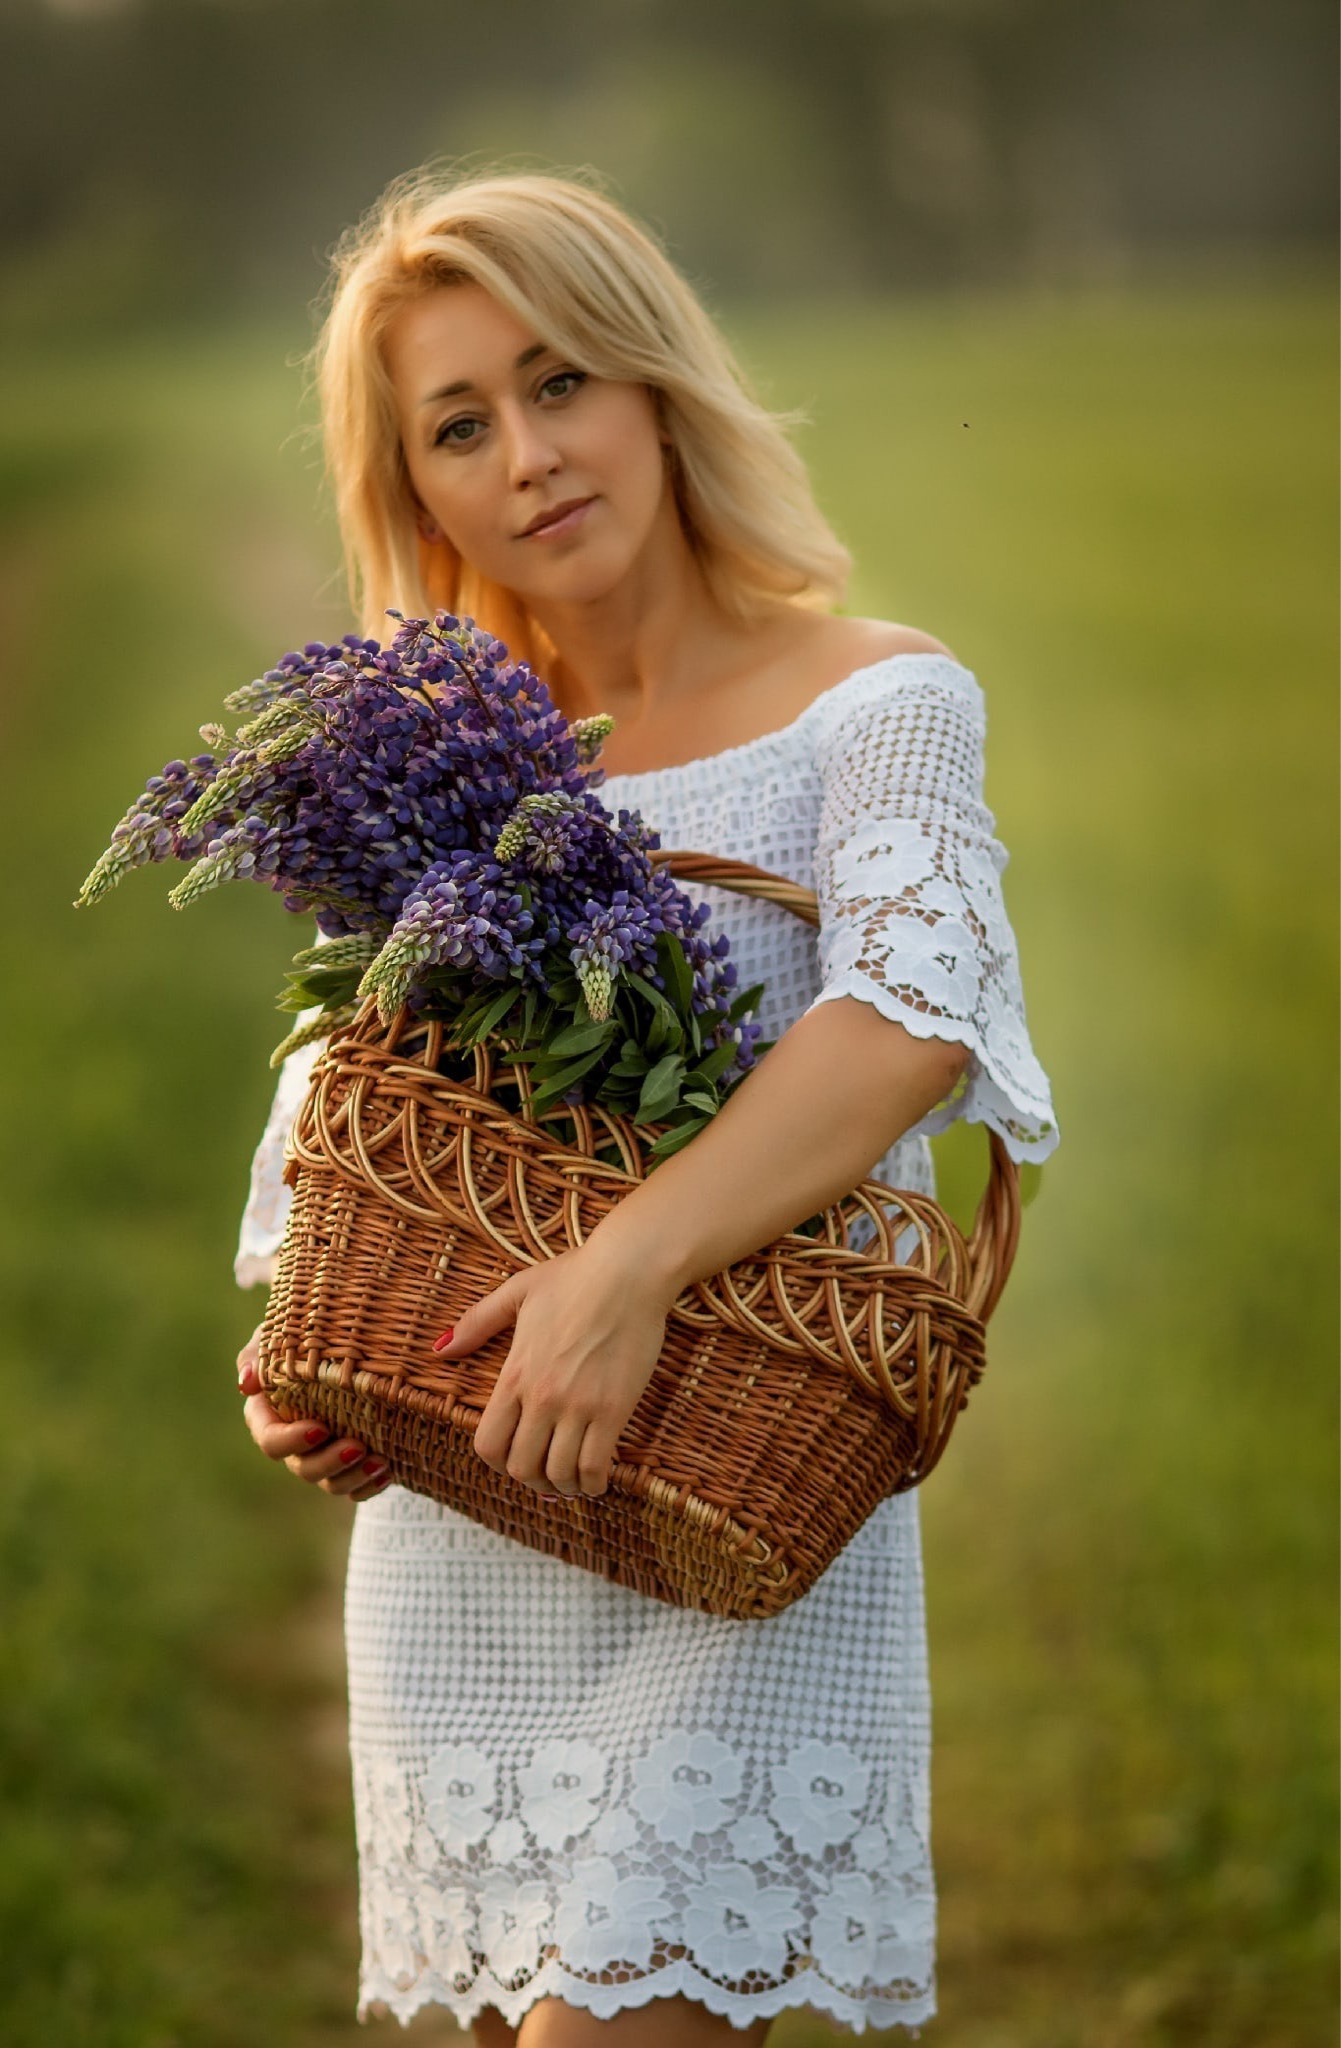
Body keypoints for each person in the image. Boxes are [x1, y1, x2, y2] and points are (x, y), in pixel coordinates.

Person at [233, 164, 1060, 2044]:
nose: (524, 452)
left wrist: (618, 1269)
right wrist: (287, 1358)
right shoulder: (431, 774)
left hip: (735, 1540)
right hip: (473, 1524)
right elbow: (334, 1121)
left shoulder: (878, 703)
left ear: (651, 382)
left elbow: (906, 1017)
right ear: (417, 485)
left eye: (557, 382)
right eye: (459, 424)